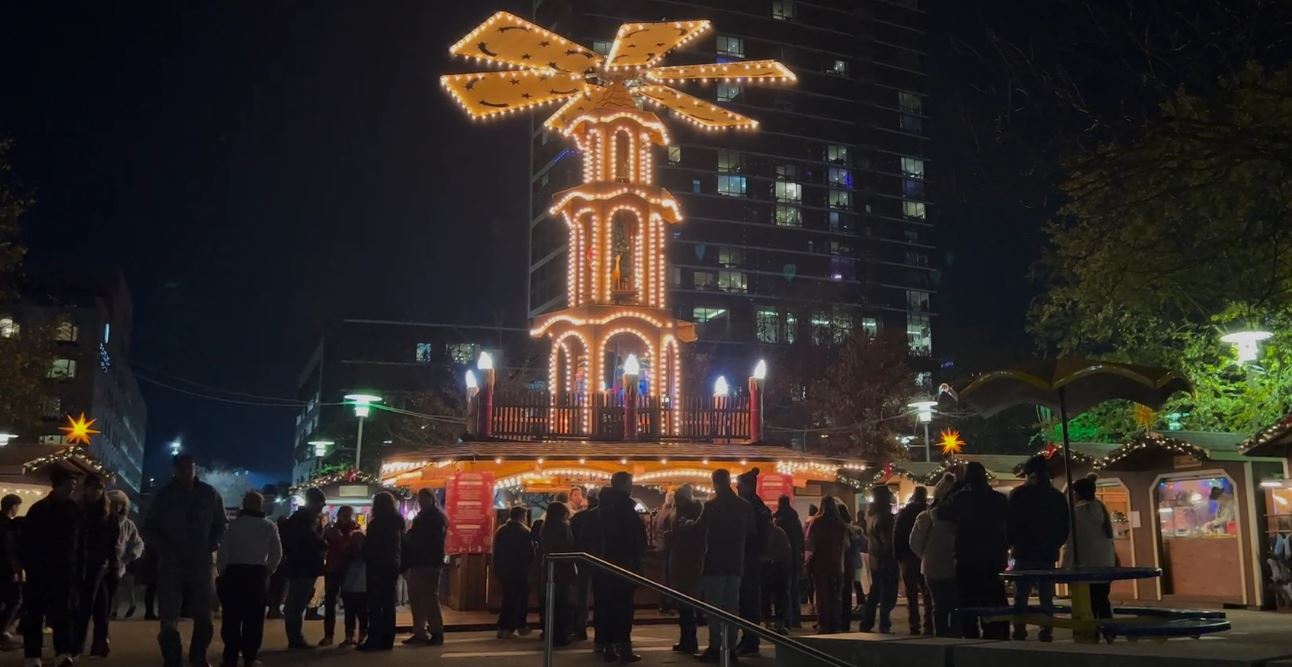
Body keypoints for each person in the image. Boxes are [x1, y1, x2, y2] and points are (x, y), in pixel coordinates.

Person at [143, 453, 227, 667]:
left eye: (191, 467)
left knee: (204, 612)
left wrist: (213, 543)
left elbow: (221, 524)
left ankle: (199, 656)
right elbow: (150, 528)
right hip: (172, 562)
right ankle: (172, 657)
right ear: (176, 470)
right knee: (169, 613)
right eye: (183, 468)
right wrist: (164, 549)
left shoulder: (209, 494)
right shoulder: (165, 495)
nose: (188, 471)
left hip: (201, 561)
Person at [20, 470, 81, 667]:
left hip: (65, 569)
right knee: (35, 613)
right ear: (58, 486)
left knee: (63, 612)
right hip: (40, 568)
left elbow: (81, 542)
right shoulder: (39, 509)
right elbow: (26, 541)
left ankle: (62, 652)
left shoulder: (74, 510)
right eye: (68, 486)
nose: (71, 490)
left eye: (73, 487)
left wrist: (79, 565)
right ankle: (32, 654)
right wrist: (27, 565)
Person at [944, 462, 1009, 639]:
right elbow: (1009, 528)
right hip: (993, 557)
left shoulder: (959, 499)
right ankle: (996, 633)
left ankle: (971, 635)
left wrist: (956, 486)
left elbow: (944, 513)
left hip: (966, 557)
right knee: (994, 599)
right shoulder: (999, 500)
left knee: (967, 601)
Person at [1007, 455, 1070, 641]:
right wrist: (1054, 544)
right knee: (1046, 596)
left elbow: (1009, 523)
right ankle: (1046, 629)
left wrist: (1012, 543)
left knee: (1021, 596)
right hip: (1047, 553)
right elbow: (1064, 526)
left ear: (1028, 474)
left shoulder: (1018, 495)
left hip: (1023, 551)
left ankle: (1019, 629)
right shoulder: (1057, 497)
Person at [216, 491, 282, 667]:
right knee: (253, 619)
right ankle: (249, 657)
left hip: (234, 574)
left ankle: (230, 657)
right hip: (256, 575)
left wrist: (222, 572)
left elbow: (223, 553)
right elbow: (277, 553)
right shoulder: (269, 526)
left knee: (231, 618)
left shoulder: (233, 526)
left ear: (244, 505)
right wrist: (268, 570)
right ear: (261, 505)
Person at [691, 469, 751, 660]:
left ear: (715, 483)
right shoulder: (744, 506)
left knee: (714, 608)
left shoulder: (711, 505)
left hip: (715, 563)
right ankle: (730, 647)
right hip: (736, 562)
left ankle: (716, 646)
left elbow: (699, 529)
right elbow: (752, 532)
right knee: (732, 607)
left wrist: (685, 525)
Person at [597, 472, 646, 663]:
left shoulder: (602, 508)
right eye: (630, 483)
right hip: (625, 563)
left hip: (606, 563)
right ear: (624, 485)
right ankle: (624, 646)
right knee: (624, 608)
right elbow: (638, 539)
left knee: (608, 606)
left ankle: (608, 646)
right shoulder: (625, 509)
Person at [910, 474, 959, 637]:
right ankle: (955, 637)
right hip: (955, 567)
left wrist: (925, 556)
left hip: (932, 569)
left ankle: (942, 638)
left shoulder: (925, 517)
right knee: (955, 606)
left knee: (939, 606)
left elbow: (914, 542)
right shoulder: (958, 518)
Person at [1061, 478, 1116, 618]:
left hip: (1084, 565)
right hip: (1105, 564)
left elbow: (1071, 543)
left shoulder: (1075, 514)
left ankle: (1092, 632)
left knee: (1087, 603)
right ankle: (1109, 630)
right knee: (1102, 598)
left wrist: (1065, 566)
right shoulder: (1101, 509)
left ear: (1077, 493)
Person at [280, 487, 326, 649]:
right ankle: (295, 639)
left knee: (298, 600)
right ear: (314, 502)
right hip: (303, 566)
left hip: (300, 565)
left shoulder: (301, 518)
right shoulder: (305, 519)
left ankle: (295, 637)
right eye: (321, 503)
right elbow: (311, 540)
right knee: (297, 602)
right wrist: (323, 543)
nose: (323, 506)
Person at [358, 491, 404, 652]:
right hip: (392, 565)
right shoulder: (398, 521)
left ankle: (374, 638)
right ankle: (387, 638)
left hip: (377, 566)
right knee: (388, 603)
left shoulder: (377, 524)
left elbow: (371, 547)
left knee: (375, 604)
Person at [404, 488, 448, 646]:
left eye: (424, 499)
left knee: (429, 598)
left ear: (431, 499)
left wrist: (411, 539)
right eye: (420, 500)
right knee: (417, 599)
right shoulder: (423, 517)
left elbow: (430, 541)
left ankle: (436, 631)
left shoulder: (435, 518)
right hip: (419, 562)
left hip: (429, 563)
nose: (421, 502)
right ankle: (420, 631)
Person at [734, 469, 771, 655]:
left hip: (749, 558)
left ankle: (749, 640)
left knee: (748, 601)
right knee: (750, 601)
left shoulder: (749, 505)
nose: (737, 489)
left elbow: (749, 533)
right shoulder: (759, 505)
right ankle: (749, 639)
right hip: (756, 558)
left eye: (739, 486)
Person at [666, 484, 704, 654]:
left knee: (685, 602)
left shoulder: (684, 515)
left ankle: (688, 639)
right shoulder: (694, 512)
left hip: (685, 563)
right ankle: (688, 639)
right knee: (687, 602)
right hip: (689, 562)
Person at [804, 497, 847, 634]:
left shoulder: (817, 522)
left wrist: (807, 561)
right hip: (835, 563)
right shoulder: (840, 524)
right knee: (835, 594)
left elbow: (810, 543)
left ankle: (824, 623)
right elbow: (845, 544)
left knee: (822, 595)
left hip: (820, 564)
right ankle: (835, 622)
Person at [894, 486, 933, 635]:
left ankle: (914, 624)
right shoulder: (929, 512)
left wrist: (898, 556)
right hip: (924, 556)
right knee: (927, 592)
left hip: (907, 558)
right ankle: (929, 624)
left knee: (911, 594)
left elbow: (896, 535)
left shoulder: (904, 513)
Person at [860, 486, 898, 634]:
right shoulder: (885, 518)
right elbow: (888, 542)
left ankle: (867, 622)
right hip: (885, 560)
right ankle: (884, 623)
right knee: (887, 593)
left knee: (875, 592)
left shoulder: (872, 516)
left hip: (875, 559)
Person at [493, 506, 535, 638]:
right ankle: (517, 626)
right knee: (520, 599)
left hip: (504, 570)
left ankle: (504, 627)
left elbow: (496, 551)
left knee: (507, 598)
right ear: (522, 517)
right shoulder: (525, 532)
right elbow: (530, 553)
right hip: (520, 571)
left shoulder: (501, 530)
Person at [320, 505, 358, 647]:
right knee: (330, 602)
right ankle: (328, 635)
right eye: (344, 515)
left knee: (349, 603)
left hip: (347, 569)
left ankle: (349, 635)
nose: (345, 518)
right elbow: (323, 544)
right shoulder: (332, 529)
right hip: (334, 568)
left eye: (348, 515)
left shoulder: (355, 530)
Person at [541, 501, 576, 647]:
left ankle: (549, 632)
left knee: (551, 601)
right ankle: (561, 634)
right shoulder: (563, 527)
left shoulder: (545, 527)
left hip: (549, 567)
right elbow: (569, 545)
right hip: (562, 567)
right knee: (562, 601)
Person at [107, 491, 143, 624]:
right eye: (114, 503)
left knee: (116, 587)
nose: (117, 507)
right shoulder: (103, 519)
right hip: (102, 561)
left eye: (120, 504)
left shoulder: (128, 524)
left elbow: (138, 542)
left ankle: (113, 610)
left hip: (119, 562)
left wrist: (131, 555)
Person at [569, 489, 600, 643]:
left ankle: (581, 627)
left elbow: (572, 539)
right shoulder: (604, 517)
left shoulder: (579, 517)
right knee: (601, 596)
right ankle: (601, 631)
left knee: (582, 595)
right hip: (601, 561)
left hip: (582, 560)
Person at [773, 496, 804, 630]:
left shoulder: (779, 521)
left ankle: (786, 619)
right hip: (795, 559)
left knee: (783, 590)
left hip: (782, 559)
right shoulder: (795, 520)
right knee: (794, 590)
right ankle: (796, 618)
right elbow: (801, 540)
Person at [0, 494, 23, 650]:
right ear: (13, 506)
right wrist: (14, 569)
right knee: (16, 599)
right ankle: (1, 631)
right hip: (5, 569)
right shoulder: (7, 525)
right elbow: (7, 549)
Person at [762, 518, 792, 634]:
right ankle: (780, 623)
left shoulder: (763, 533)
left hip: (767, 567)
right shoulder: (780, 532)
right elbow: (787, 550)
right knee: (781, 596)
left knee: (766, 596)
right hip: (780, 567)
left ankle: (768, 621)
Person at [338, 532, 369, 647]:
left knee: (357, 613)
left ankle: (355, 635)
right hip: (357, 587)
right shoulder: (354, 554)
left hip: (355, 587)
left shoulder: (351, 554)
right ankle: (355, 635)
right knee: (357, 613)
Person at [838, 506, 863, 632]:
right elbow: (862, 543)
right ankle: (845, 622)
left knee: (842, 593)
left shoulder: (841, 528)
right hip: (853, 562)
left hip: (843, 563)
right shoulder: (854, 529)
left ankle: (841, 622)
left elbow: (845, 546)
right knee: (848, 591)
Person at [653, 490, 676, 614]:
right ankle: (667, 603)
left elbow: (654, 529)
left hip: (661, 547)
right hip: (668, 548)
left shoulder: (660, 513)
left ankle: (663, 603)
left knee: (664, 576)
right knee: (668, 577)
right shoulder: (670, 514)